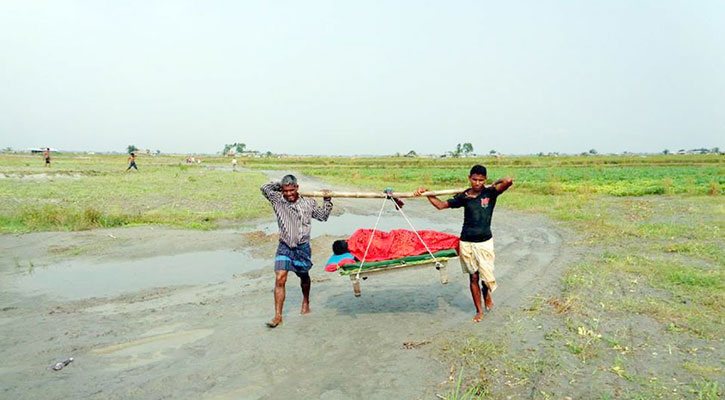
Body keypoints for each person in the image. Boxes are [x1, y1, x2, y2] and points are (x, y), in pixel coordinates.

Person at [414, 165, 513, 323]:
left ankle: (486, 293)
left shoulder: (490, 193)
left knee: (486, 278)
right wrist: (427, 193)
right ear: (469, 178)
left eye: (481, 180)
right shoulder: (464, 196)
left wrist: (494, 183)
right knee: (473, 277)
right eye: (474, 179)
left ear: (485, 180)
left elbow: (508, 181)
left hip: (485, 242)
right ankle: (479, 310)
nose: (477, 183)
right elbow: (440, 206)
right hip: (466, 241)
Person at [261, 175, 332, 328]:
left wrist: (327, 200)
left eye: (291, 190)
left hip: (302, 247)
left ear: (297, 188)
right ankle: (278, 316)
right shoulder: (277, 200)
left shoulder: (308, 203)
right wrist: (280, 185)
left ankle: (306, 301)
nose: (288, 194)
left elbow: (323, 217)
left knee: (304, 276)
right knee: (280, 278)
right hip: (285, 246)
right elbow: (264, 188)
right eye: (285, 190)